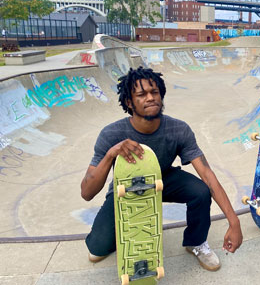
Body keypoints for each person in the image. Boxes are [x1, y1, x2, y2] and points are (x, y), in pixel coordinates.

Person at [81, 66, 243, 271]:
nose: (150, 98)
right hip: (126, 187)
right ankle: (118, 232)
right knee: (97, 250)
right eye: (141, 94)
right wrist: (111, 154)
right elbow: (87, 192)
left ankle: (196, 241)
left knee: (201, 191)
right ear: (129, 102)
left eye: (154, 92)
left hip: (165, 179)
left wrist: (234, 221)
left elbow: (207, 175)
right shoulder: (112, 133)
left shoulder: (178, 129)